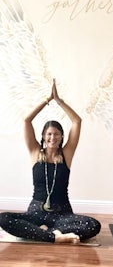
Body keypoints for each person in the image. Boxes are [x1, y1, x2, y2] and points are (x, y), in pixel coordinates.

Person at [0, 79, 101, 243]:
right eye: (49, 134)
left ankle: (44, 232)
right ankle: (55, 236)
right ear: (43, 137)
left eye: (56, 134)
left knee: (93, 225)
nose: (52, 137)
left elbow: (77, 121)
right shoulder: (34, 152)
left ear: (62, 137)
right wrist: (47, 100)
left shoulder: (66, 154)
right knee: (3, 219)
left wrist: (59, 101)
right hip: (36, 211)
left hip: (62, 213)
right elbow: (27, 120)